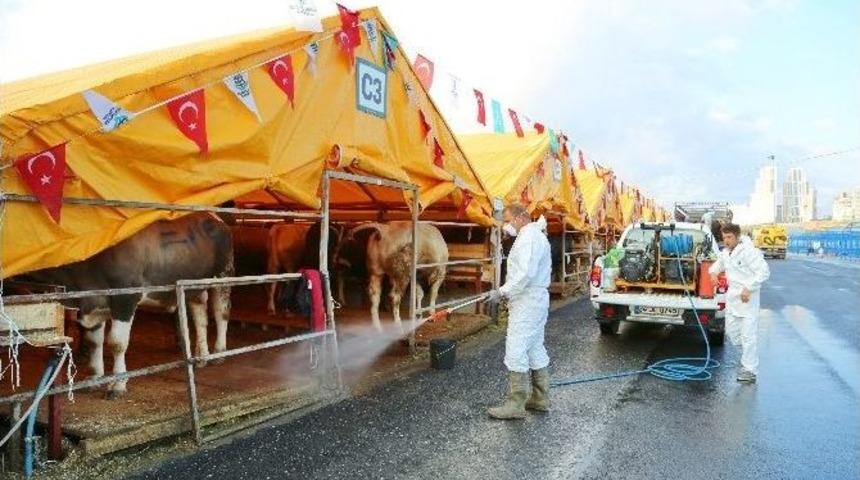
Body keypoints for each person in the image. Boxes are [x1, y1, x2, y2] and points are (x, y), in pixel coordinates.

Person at [487, 205, 552, 419]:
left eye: (508, 220)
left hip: (528, 300)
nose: (507, 225)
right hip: (535, 299)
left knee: (516, 347)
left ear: (521, 217)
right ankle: (540, 398)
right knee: (534, 346)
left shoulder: (528, 238)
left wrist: (502, 291)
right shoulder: (535, 236)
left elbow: (524, 274)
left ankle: (516, 404)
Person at [709, 223, 770, 383]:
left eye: (729, 237)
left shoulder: (749, 252)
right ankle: (747, 359)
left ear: (737, 236)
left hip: (747, 299)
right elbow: (717, 266)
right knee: (733, 334)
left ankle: (750, 370)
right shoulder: (726, 253)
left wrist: (748, 288)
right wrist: (713, 273)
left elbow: (764, 272)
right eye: (724, 238)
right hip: (733, 298)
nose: (726, 241)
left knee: (748, 336)